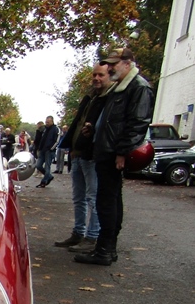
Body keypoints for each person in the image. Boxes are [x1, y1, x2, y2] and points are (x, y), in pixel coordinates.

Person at [75, 47, 153, 265]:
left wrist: (121, 152)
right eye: (108, 64)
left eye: (113, 64)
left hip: (112, 153)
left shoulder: (138, 87)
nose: (109, 68)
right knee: (108, 200)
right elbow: (114, 121)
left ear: (127, 63)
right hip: (106, 150)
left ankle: (104, 251)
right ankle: (106, 249)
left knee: (108, 201)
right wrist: (94, 130)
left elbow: (137, 123)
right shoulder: (121, 87)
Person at [54, 64, 113, 251]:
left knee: (93, 198)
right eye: (94, 75)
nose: (96, 78)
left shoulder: (109, 100)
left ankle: (91, 237)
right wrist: (72, 147)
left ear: (109, 76)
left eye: (100, 75)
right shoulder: (90, 98)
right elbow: (77, 124)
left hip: (92, 155)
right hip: (78, 154)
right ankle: (78, 233)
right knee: (78, 197)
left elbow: (107, 128)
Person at [35, 116, 60, 188]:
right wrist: (39, 148)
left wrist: (51, 148)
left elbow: (57, 140)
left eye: (48, 122)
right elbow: (41, 139)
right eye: (46, 122)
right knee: (38, 165)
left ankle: (44, 181)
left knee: (47, 166)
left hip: (49, 151)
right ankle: (49, 176)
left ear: (52, 121)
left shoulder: (56, 129)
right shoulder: (45, 129)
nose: (47, 123)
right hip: (42, 150)